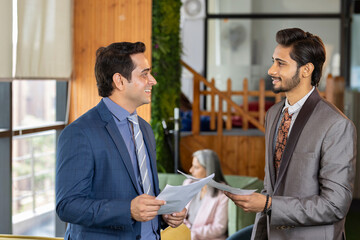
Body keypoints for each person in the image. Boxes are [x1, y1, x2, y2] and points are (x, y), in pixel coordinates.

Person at [225, 28, 357, 240]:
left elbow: (334, 205)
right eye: (273, 61)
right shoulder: (274, 114)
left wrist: (268, 204)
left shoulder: (336, 125)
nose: (271, 70)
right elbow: (272, 185)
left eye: (281, 63)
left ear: (306, 70)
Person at [56, 42, 186, 240]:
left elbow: (146, 193)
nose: (153, 81)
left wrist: (164, 212)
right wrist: (128, 210)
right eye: (144, 74)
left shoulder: (145, 128)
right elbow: (68, 206)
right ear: (119, 81)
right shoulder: (79, 133)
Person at [183, 149, 229, 240]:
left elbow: (219, 228)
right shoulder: (188, 183)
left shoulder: (223, 193)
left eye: (196, 167)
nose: (190, 170)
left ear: (209, 170)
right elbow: (179, 213)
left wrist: (191, 234)